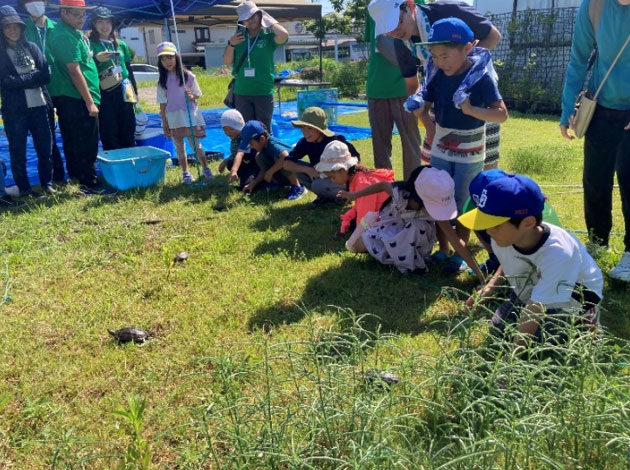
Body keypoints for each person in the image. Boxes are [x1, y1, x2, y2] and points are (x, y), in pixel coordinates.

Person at [459, 173, 603, 348]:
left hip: (571, 297)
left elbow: (536, 307)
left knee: (540, 343)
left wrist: (514, 353)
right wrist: (488, 289)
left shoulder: (558, 253)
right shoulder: (502, 237)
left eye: (495, 225)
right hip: (533, 287)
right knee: (499, 329)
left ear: (528, 222)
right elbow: (508, 262)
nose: (488, 231)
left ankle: (585, 322)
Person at [409, 18, 508, 274]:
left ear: (467, 48)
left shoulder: (480, 77)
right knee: (437, 193)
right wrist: (420, 111)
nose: (441, 62)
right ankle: (444, 248)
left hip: (470, 151)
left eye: (445, 56)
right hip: (441, 147)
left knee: (464, 201)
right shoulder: (437, 75)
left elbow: (501, 114)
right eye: (435, 56)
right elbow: (426, 106)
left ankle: (460, 250)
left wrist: (471, 109)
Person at [368, 0, 503, 170]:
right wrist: (429, 125)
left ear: (409, 5)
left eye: (398, 22)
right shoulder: (401, 44)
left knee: (484, 163)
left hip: (476, 94)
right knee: (441, 165)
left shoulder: (449, 10)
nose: (396, 32)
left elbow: (493, 36)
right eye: (388, 29)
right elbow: (412, 87)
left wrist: (462, 68)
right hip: (442, 101)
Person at [559, 0, 630, 282]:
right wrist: (567, 108)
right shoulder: (593, 5)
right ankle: (597, 242)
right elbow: (578, 58)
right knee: (595, 179)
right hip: (600, 105)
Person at [339, 166, 484, 281]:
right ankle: (393, 255)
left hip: (415, 237)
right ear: (418, 197)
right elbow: (382, 185)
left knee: (416, 226)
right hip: (391, 227)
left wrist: (480, 275)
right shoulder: (401, 194)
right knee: (356, 246)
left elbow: (456, 241)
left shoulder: (433, 214)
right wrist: (354, 195)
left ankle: (409, 263)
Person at [0, 5, 54, 196]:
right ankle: (24, 188)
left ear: (21, 28)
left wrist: (22, 79)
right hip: (14, 110)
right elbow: (6, 82)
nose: (12, 30)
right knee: (18, 150)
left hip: (39, 105)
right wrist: (32, 76)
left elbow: (45, 75)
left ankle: (47, 183)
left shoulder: (32, 47)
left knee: (45, 147)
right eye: (7, 27)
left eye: (15, 26)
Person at [48, 0, 100, 190]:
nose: (81, 18)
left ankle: (78, 175)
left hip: (77, 96)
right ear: (64, 13)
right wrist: (89, 101)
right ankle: (88, 180)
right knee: (84, 140)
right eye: (77, 14)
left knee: (76, 138)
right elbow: (74, 71)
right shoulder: (63, 35)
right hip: (75, 97)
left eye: (83, 14)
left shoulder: (74, 33)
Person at [364, 12, 422, 179]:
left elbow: (423, 36)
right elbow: (374, 41)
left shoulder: (412, 3)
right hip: (376, 87)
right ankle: (385, 189)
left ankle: (412, 188)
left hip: (406, 87)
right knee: (380, 147)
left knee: (411, 144)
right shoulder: (373, 6)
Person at [222, 1, 288, 132]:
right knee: (246, 130)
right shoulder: (237, 39)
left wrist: (268, 20)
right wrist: (231, 44)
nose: (250, 20)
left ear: (259, 15)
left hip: (264, 91)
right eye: (246, 18)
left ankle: (264, 148)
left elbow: (284, 35)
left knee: (264, 130)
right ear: (242, 22)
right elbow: (227, 61)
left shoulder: (268, 38)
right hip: (242, 92)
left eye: (253, 16)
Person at [19, 0, 65, 183]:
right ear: (24, 6)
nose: (35, 4)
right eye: (29, 1)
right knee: (48, 135)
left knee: (70, 131)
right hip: (39, 90)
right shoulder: (21, 29)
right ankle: (56, 175)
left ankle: (77, 170)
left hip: (63, 87)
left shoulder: (59, 28)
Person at [156, 41, 213, 184]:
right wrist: (164, 122)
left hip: (189, 115)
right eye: (163, 59)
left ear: (176, 57)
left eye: (170, 57)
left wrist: (191, 96)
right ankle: (185, 173)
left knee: (195, 144)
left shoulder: (188, 76)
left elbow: (197, 94)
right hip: (173, 117)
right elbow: (162, 103)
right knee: (179, 146)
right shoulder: (162, 80)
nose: (167, 62)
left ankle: (205, 168)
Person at [314, 140, 394, 235]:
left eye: (333, 177)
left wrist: (356, 237)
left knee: (360, 233)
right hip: (382, 213)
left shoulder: (362, 183)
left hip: (392, 217)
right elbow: (359, 206)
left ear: (342, 170)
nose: (332, 181)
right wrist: (347, 219)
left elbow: (365, 217)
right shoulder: (357, 177)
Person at [283, 107, 361, 204]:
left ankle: (342, 196)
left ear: (319, 129)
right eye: (302, 127)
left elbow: (355, 161)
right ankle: (324, 196)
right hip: (320, 175)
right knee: (296, 166)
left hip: (339, 178)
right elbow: (286, 164)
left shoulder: (336, 141)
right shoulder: (305, 142)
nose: (305, 132)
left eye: (309, 128)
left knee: (317, 185)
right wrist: (307, 169)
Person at [89, 7, 137, 151]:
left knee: (128, 127)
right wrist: (96, 60)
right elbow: (86, 69)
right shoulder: (90, 44)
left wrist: (135, 93)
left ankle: (129, 158)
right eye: (100, 22)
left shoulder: (120, 44)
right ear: (94, 24)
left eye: (107, 22)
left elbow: (128, 68)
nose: (104, 26)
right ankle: (115, 160)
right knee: (109, 130)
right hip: (105, 92)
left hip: (125, 90)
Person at [239, 120, 306, 200]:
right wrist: (253, 183)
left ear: (262, 139)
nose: (251, 147)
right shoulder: (263, 149)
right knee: (259, 157)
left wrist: (270, 172)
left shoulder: (272, 144)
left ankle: (298, 187)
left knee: (281, 159)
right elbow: (263, 171)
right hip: (285, 175)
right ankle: (275, 184)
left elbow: (285, 156)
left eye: (252, 144)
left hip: (299, 174)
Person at [218, 109, 260, 191]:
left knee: (246, 185)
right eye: (225, 130)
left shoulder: (245, 137)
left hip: (254, 164)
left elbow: (240, 154)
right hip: (245, 163)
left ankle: (250, 178)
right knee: (230, 163)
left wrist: (234, 170)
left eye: (232, 129)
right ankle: (243, 175)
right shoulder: (235, 138)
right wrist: (225, 161)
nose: (228, 132)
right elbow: (235, 153)